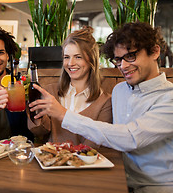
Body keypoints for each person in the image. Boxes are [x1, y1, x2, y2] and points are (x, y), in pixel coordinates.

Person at [30, 22, 173, 192]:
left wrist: (63, 115)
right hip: (119, 180)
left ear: (155, 52)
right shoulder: (120, 91)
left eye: (131, 56)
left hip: (157, 187)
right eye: (118, 60)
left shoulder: (169, 98)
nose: (123, 66)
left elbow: (130, 138)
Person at [27, 27, 112, 146]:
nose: (70, 63)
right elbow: (39, 131)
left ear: (91, 60)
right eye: (66, 57)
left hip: (85, 164)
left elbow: (93, 146)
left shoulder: (105, 102)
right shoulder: (50, 91)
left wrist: (61, 113)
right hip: (51, 162)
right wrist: (35, 110)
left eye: (78, 57)